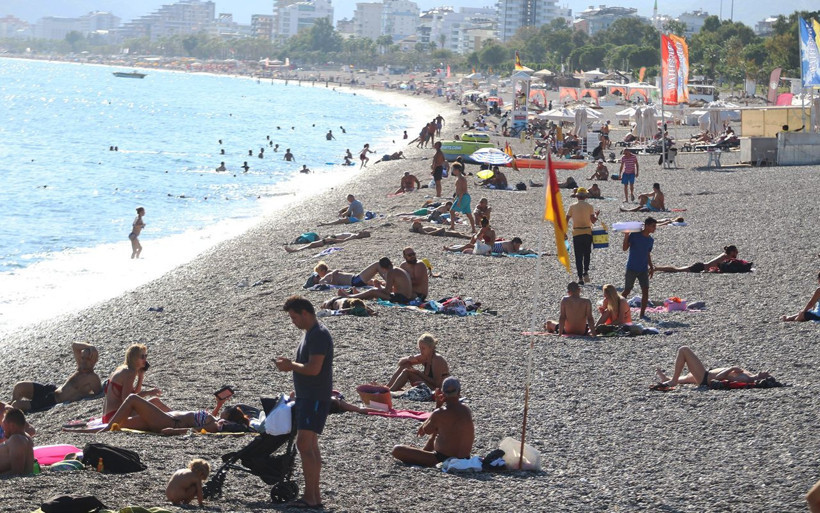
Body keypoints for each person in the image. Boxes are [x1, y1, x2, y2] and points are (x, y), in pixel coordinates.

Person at [275, 296, 333, 509]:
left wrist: (290, 366)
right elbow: (309, 368)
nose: (293, 322)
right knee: (310, 445)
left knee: (304, 445)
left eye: (294, 317)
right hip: (309, 395)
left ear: (305, 313)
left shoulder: (317, 335)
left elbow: (313, 368)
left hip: (314, 397)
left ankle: (310, 497)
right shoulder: (311, 333)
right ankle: (314, 497)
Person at [391, 377, 473, 466]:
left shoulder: (439, 413)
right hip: (465, 458)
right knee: (438, 429)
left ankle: (423, 453)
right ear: (459, 392)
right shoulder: (466, 409)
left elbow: (427, 430)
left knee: (397, 450)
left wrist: (438, 406)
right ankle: (423, 452)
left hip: (442, 458)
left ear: (442, 393)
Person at [9, 342, 102, 413]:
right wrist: (90, 347)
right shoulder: (80, 367)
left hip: (52, 401)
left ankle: (8, 414)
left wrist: (81, 396)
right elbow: (74, 345)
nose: (84, 361)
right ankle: (7, 409)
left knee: (16, 405)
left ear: (94, 360)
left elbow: (98, 394)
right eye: (83, 358)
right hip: (52, 390)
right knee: (19, 387)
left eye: (88, 358)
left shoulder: (92, 378)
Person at [102, 393, 248, 434]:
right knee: (123, 421)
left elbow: (199, 430)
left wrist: (173, 431)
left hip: (169, 422)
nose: (225, 408)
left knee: (133, 399)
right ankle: (99, 427)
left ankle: (106, 428)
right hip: (169, 418)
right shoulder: (215, 419)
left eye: (227, 409)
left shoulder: (217, 424)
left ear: (228, 416)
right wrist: (219, 405)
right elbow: (205, 423)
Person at [102, 344, 163, 424]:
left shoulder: (122, 369)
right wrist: (149, 392)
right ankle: (177, 420)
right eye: (142, 357)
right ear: (134, 358)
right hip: (115, 417)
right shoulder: (130, 372)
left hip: (108, 417)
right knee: (155, 406)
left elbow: (134, 394)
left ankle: (175, 419)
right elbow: (127, 399)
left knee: (155, 401)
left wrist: (141, 376)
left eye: (146, 356)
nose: (145, 359)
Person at [655, 346, 772, 388]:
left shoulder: (746, 379)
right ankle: (668, 379)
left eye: (766, 375)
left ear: (761, 380)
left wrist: (731, 368)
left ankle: (673, 381)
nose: (765, 372)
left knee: (684, 350)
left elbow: (719, 378)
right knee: (686, 379)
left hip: (706, 378)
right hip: (706, 375)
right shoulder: (750, 375)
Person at [622, 217, 657, 319]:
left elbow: (647, 253)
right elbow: (624, 248)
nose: (654, 228)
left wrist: (651, 266)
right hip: (632, 267)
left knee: (645, 290)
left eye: (655, 226)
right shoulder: (635, 235)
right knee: (627, 290)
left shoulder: (650, 240)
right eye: (653, 226)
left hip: (643, 269)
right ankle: (615, 307)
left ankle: (642, 314)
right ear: (646, 226)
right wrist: (626, 235)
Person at [338, 257, 413, 304]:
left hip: (401, 299)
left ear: (383, 268)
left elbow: (388, 291)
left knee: (373, 291)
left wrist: (379, 287)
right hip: (406, 297)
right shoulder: (398, 269)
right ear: (391, 263)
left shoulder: (391, 272)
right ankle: (357, 295)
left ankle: (349, 297)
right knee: (374, 291)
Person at [566, 188, 599, 285]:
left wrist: (564, 231)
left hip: (577, 233)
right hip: (587, 232)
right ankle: (586, 271)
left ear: (577, 196)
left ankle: (580, 278)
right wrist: (596, 215)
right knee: (587, 253)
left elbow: (566, 219)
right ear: (585, 196)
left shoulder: (572, 206)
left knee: (578, 256)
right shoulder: (589, 206)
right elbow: (593, 221)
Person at [653, 245, 739, 274]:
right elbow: (719, 267)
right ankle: (657, 268)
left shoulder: (725, 256)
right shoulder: (725, 257)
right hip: (700, 267)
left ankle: (657, 268)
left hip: (701, 266)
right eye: (735, 253)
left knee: (677, 269)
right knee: (677, 270)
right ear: (731, 252)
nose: (736, 255)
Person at [0, 408, 33, 476]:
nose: (3, 429)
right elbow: (27, 471)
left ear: (12, 426)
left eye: (4, 424)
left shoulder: (16, 439)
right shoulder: (27, 438)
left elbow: (17, 473)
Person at [285, 230, 371, 253]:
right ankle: (296, 249)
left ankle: (296, 250)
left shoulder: (354, 236)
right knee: (313, 243)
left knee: (312, 244)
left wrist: (333, 239)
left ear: (363, 235)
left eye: (364, 232)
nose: (362, 231)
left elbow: (343, 241)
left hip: (331, 240)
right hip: (331, 238)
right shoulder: (354, 235)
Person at [449, 163, 476, 233]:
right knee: (468, 214)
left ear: (457, 170)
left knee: (452, 211)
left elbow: (463, 190)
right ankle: (473, 229)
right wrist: (456, 198)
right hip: (463, 197)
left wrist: (459, 200)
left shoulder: (462, 179)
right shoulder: (459, 178)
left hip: (463, 197)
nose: (452, 171)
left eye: (453, 169)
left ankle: (452, 227)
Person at [317, 259, 386, 287]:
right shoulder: (321, 281)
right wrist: (334, 274)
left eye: (318, 273)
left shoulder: (327, 274)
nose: (318, 275)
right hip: (354, 281)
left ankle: (389, 283)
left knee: (377, 282)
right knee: (377, 265)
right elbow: (333, 286)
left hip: (355, 278)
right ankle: (389, 282)